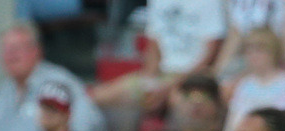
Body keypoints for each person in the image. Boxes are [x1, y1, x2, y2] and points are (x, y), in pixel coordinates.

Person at [90, 0, 225, 111]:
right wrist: (150, 82)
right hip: (164, 75)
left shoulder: (210, 2)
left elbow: (209, 56)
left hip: (196, 77)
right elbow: (154, 44)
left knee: (180, 103)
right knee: (97, 96)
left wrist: (170, 86)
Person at [223, 28, 285, 131]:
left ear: (273, 52)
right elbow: (233, 122)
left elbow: (284, 120)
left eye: (260, 50)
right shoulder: (245, 84)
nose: (253, 55)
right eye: (249, 51)